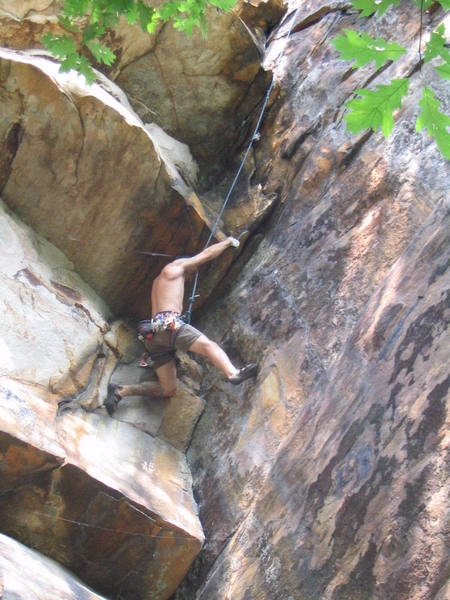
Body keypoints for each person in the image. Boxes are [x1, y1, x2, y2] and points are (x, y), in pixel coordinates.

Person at [104, 236, 257, 415]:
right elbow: (206, 255)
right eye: (191, 273)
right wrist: (228, 242)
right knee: (209, 346)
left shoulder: (158, 282)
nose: (190, 278)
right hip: (169, 324)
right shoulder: (175, 268)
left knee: (168, 389)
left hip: (153, 337)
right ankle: (233, 373)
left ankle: (121, 391)